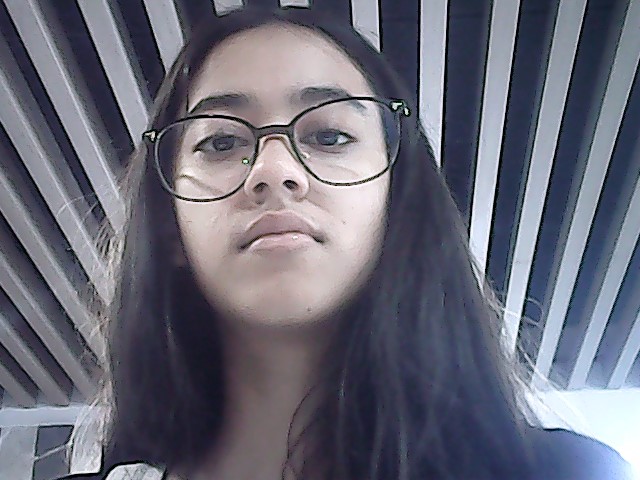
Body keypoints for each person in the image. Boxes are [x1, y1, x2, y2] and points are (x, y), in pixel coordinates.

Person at [55, 5, 633, 480]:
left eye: (329, 135)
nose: (274, 170)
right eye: (222, 143)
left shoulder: (566, 472)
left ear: (397, 204)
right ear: (169, 229)